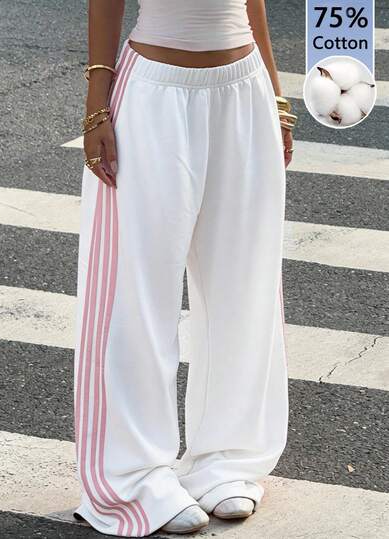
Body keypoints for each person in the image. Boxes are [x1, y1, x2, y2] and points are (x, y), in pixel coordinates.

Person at [72, 0, 296, 536]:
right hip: (153, 93)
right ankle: (132, 477)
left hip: (243, 89)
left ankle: (226, 459)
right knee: (136, 294)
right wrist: (97, 105)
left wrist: (274, 94)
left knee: (244, 285)